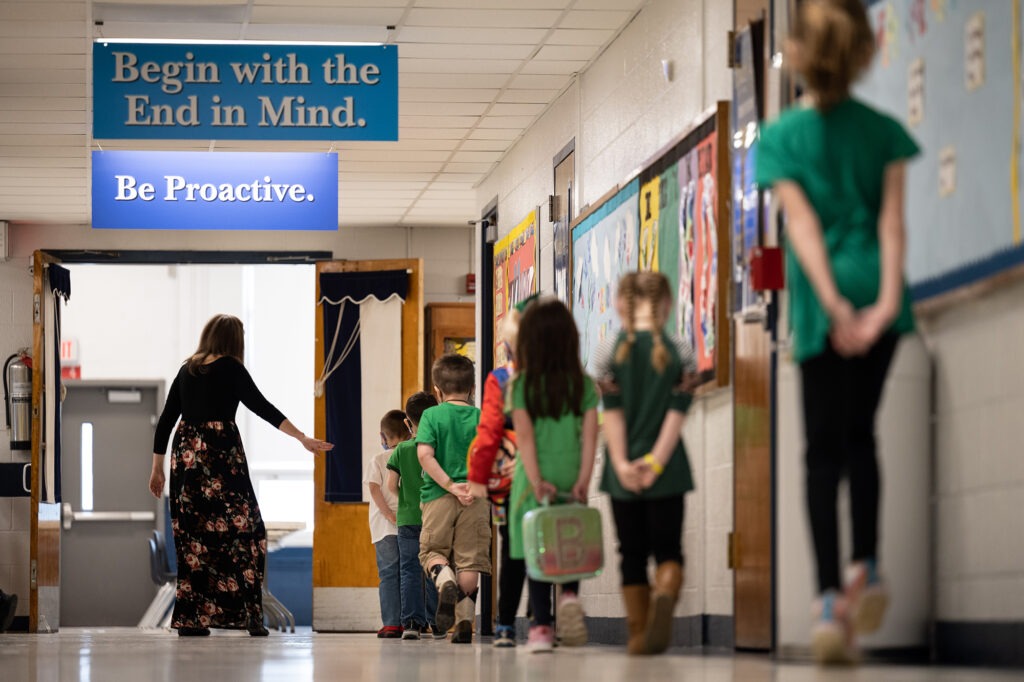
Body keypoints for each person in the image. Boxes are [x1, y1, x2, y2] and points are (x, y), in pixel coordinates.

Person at [756, 0, 918, 665]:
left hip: (827, 309)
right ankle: (870, 567)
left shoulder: (781, 137)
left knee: (821, 451)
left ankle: (827, 599)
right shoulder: (884, 131)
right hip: (881, 296)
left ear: (797, 55)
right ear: (862, 53)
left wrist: (832, 305)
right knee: (862, 438)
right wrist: (881, 306)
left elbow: (801, 230)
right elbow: (892, 228)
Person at [149, 314, 333, 637]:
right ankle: (247, 616)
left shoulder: (187, 369)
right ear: (234, 340)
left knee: (194, 538)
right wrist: (301, 437)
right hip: (221, 457)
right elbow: (262, 406)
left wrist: (156, 469)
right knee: (248, 532)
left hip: (187, 458)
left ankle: (194, 619)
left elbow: (165, 421)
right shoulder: (231, 368)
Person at [592, 271, 697, 656]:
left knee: (631, 552)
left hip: (622, 472)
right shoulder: (681, 350)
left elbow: (613, 414)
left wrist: (621, 463)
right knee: (668, 548)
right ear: (666, 306)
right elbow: (677, 414)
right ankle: (667, 589)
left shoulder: (608, 352)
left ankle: (639, 635)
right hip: (668, 467)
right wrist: (654, 462)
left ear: (621, 305)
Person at [505, 298, 598, 654]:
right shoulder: (583, 384)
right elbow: (589, 435)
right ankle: (570, 597)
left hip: (534, 475)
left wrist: (535, 478)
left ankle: (541, 625)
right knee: (568, 538)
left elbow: (525, 437)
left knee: (536, 547)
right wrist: (583, 480)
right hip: (571, 470)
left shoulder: (521, 385)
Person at [416, 353, 487, 644]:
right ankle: (465, 623)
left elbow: (424, 455)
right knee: (471, 560)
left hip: (438, 497)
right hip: (476, 496)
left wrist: (449, 484)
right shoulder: (482, 417)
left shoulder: (431, 415)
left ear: (437, 390)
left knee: (432, 551)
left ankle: (444, 579)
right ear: (472, 388)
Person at [466, 305, 526, 648]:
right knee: (545, 545)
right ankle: (545, 622)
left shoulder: (500, 379)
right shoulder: (555, 377)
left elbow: (488, 434)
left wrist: (478, 478)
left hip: (507, 481)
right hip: (547, 474)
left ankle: (504, 625)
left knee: (511, 546)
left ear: (507, 343)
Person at [385, 392, 441, 640]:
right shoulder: (439, 447)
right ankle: (436, 622)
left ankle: (411, 623)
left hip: (407, 518)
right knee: (436, 567)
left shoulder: (403, 449)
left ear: (408, 422)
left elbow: (390, 485)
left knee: (409, 569)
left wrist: (406, 498)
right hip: (435, 517)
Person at [365, 409, 407, 639]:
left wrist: (388, 514)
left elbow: (373, 488)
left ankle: (392, 624)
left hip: (384, 526)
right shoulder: (413, 455)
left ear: (383, 436)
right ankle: (410, 622)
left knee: (389, 573)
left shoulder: (378, 459)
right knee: (409, 572)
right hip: (410, 523)